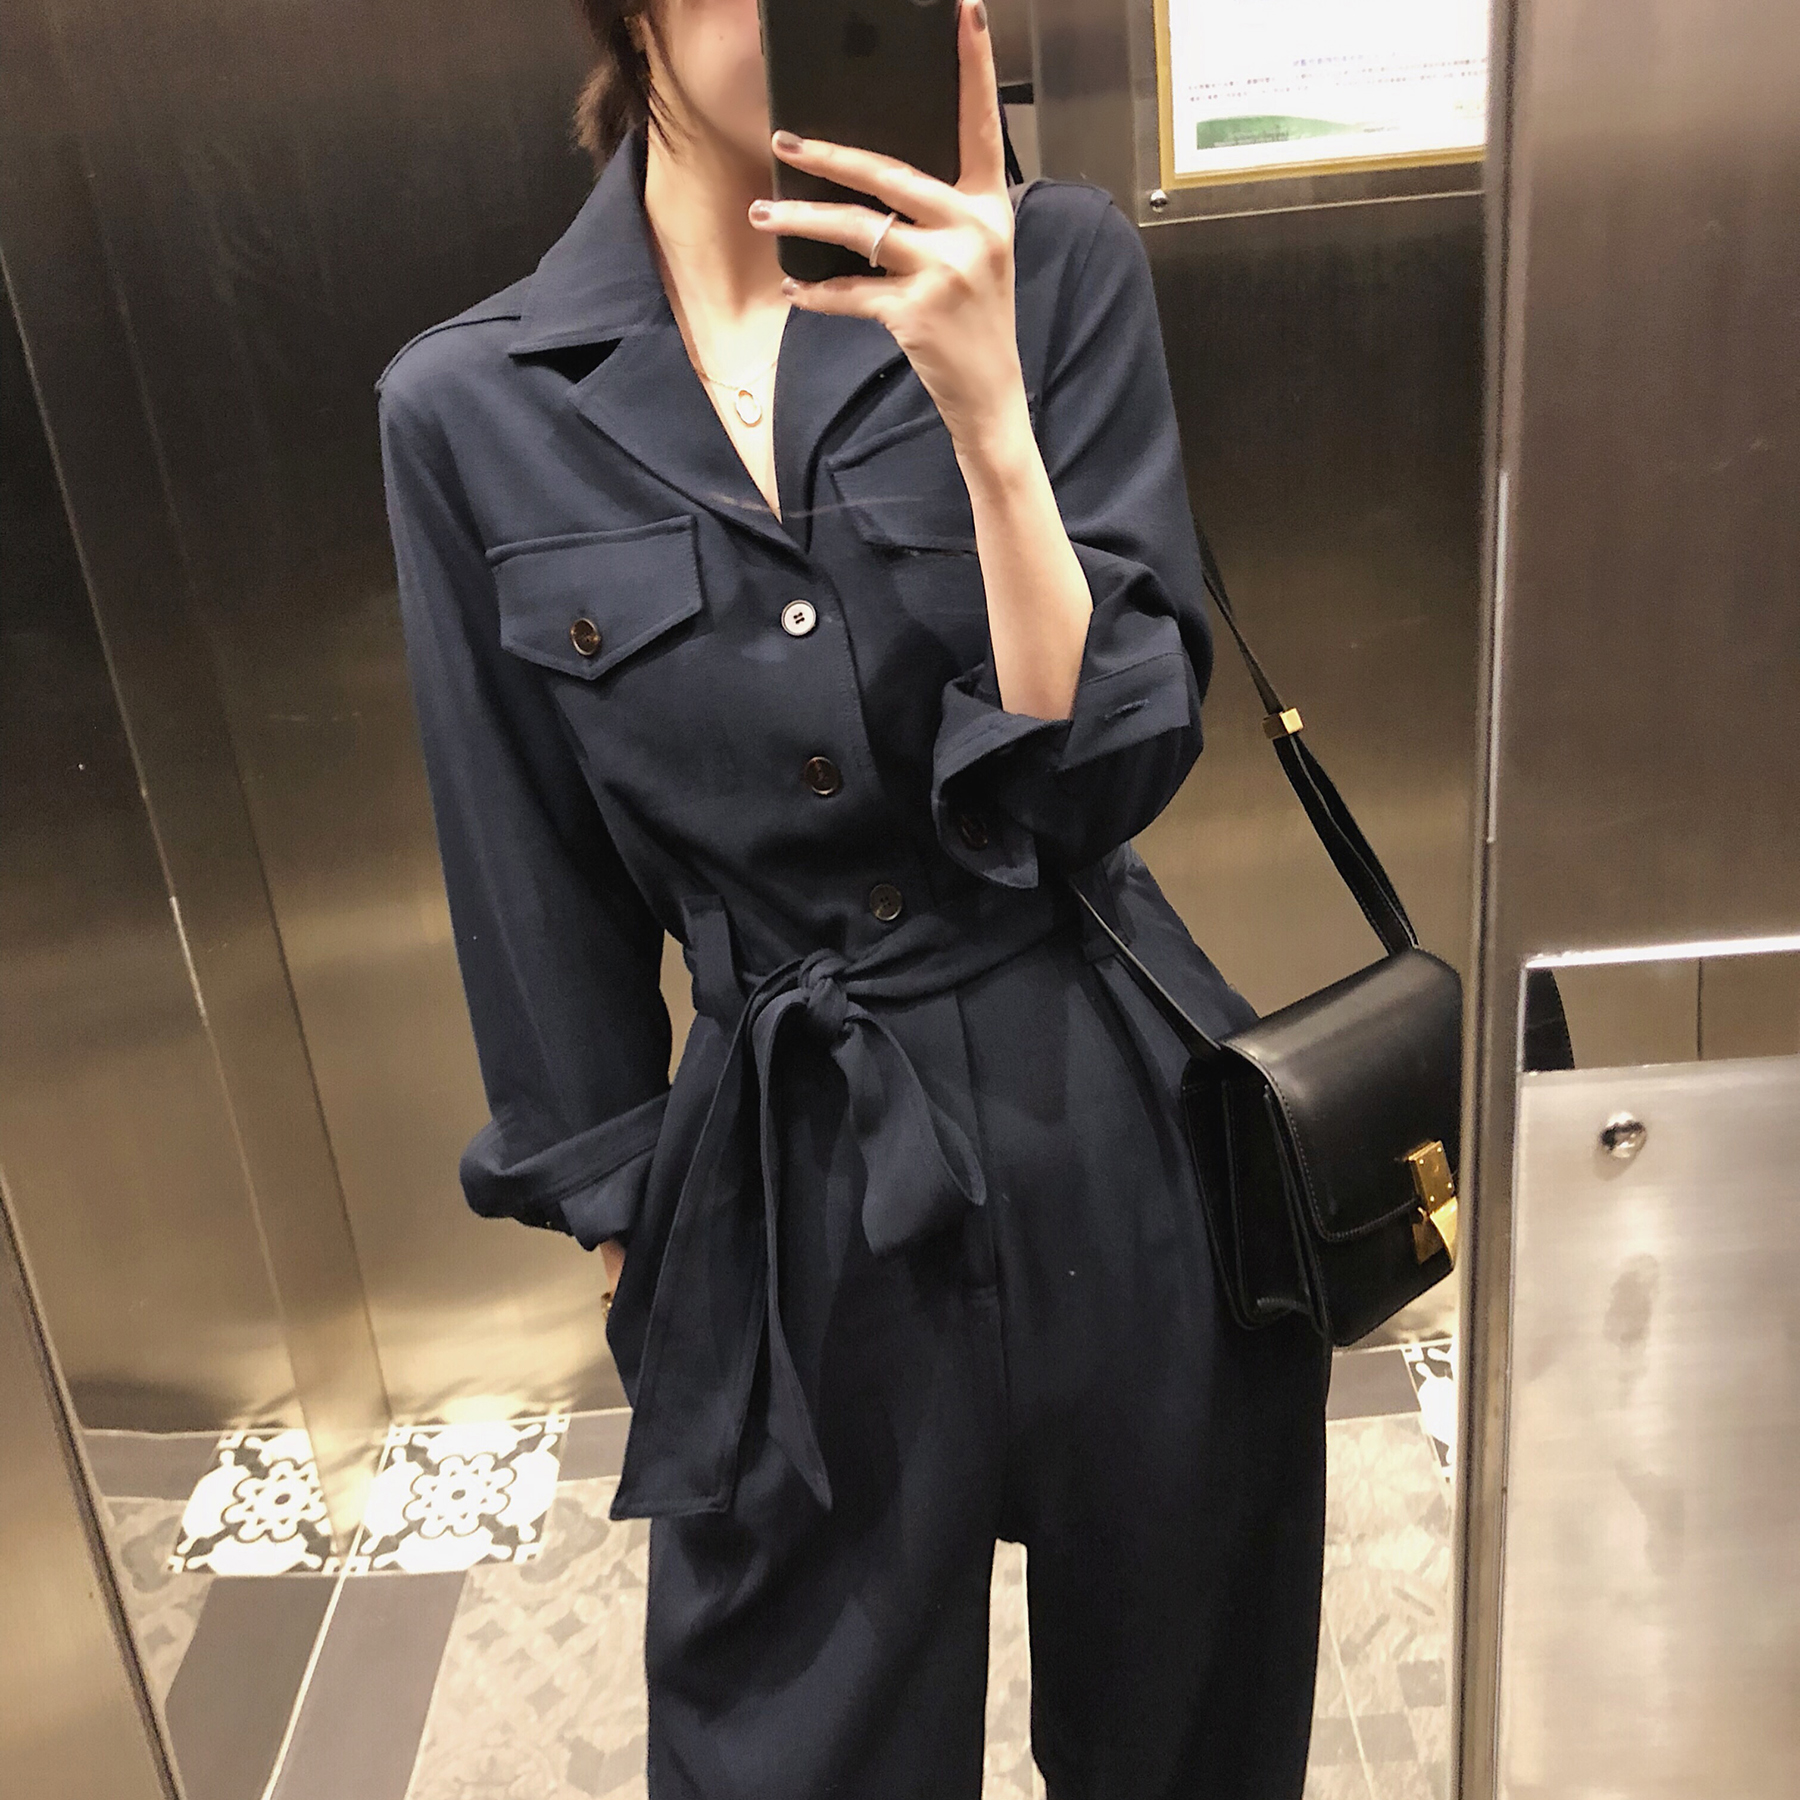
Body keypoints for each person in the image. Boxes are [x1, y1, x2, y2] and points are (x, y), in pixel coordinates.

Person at [374, 0, 1329, 1793]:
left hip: (1117, 1114)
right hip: (783, 1176)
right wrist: (638, 1249)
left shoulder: (1055, 267)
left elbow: (1110, 768)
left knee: (1191, 1723)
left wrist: (989, 416)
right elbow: (525, 869)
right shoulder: (472, 405)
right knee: (790, 1747)